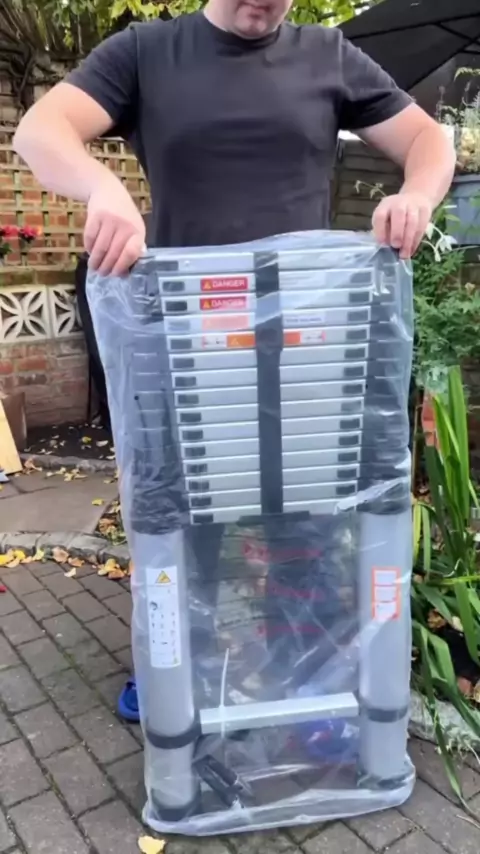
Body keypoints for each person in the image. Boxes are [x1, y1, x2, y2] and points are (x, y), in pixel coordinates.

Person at [14, 0, 456, 721]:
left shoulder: (327, 55)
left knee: (304, 518)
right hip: (189, 339)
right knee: (187, 520)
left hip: (303, 341)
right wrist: (103, 189)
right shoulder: (145, 51)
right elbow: (40, 128)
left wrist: (417, 194)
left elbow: (428, 139)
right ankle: (173, 665)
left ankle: (301, 674)